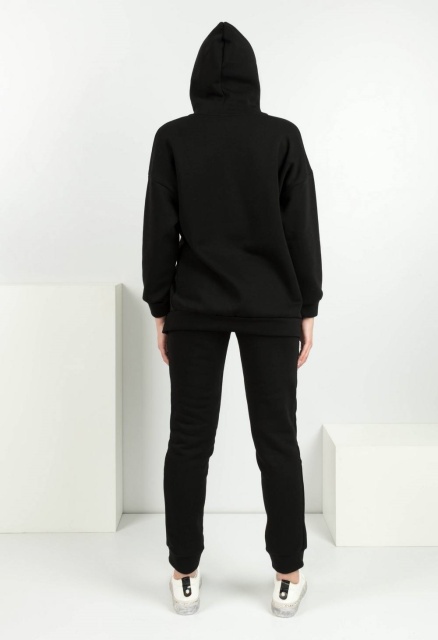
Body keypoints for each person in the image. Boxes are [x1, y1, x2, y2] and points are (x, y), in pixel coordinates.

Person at [142, 21, 323, 617]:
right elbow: (302, 227)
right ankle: (288, 572)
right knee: (277, 439)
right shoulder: (281, 137)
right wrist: (308, 305)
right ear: (253, 78)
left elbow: (159, 229)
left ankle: (184, 571)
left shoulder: (174, 138)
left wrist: (161, 307)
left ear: (198, 79)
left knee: (189, 441)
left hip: (195, 307)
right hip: (272, 306)